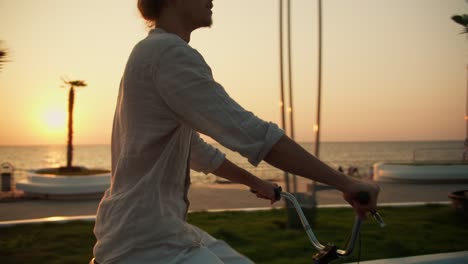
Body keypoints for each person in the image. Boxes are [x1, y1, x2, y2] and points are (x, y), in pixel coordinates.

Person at [91, 0, 380, 263]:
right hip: (147, 242)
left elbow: (195, 150)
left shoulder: (152, 52)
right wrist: (347, 183)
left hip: (155, 228)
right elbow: (251, 134)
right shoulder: (169, 53)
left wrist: (255, 181)